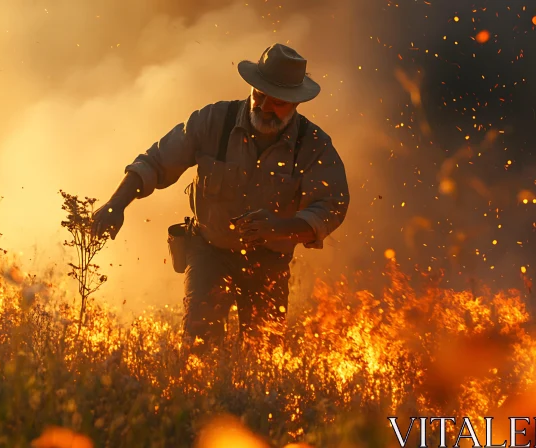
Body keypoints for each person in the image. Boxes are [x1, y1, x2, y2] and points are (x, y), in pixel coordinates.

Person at [91, 43, 350, 352]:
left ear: (296, 102)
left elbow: (331, 205)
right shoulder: (213, 120)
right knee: (199, 344)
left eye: (278, 102)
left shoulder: (313, 144)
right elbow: (154, 161)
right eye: (261, 95)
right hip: (209, 251)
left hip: (269, 262)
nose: (266, 107)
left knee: (263, 357)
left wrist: (279, 229)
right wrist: (115, 204)